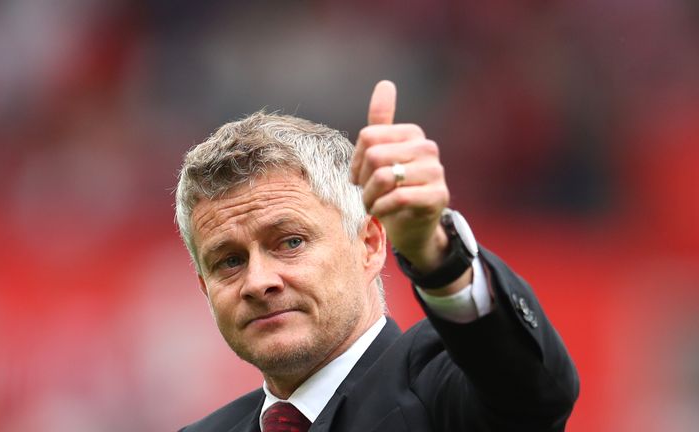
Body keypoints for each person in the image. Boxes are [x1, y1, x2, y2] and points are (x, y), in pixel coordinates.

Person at [174, 81, 579, 431]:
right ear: (205, 289)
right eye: (229, 261)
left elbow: (532, 393)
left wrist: (438, 257)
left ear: (369, 244)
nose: (259, 281)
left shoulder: (445, 390)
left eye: (291, 242)